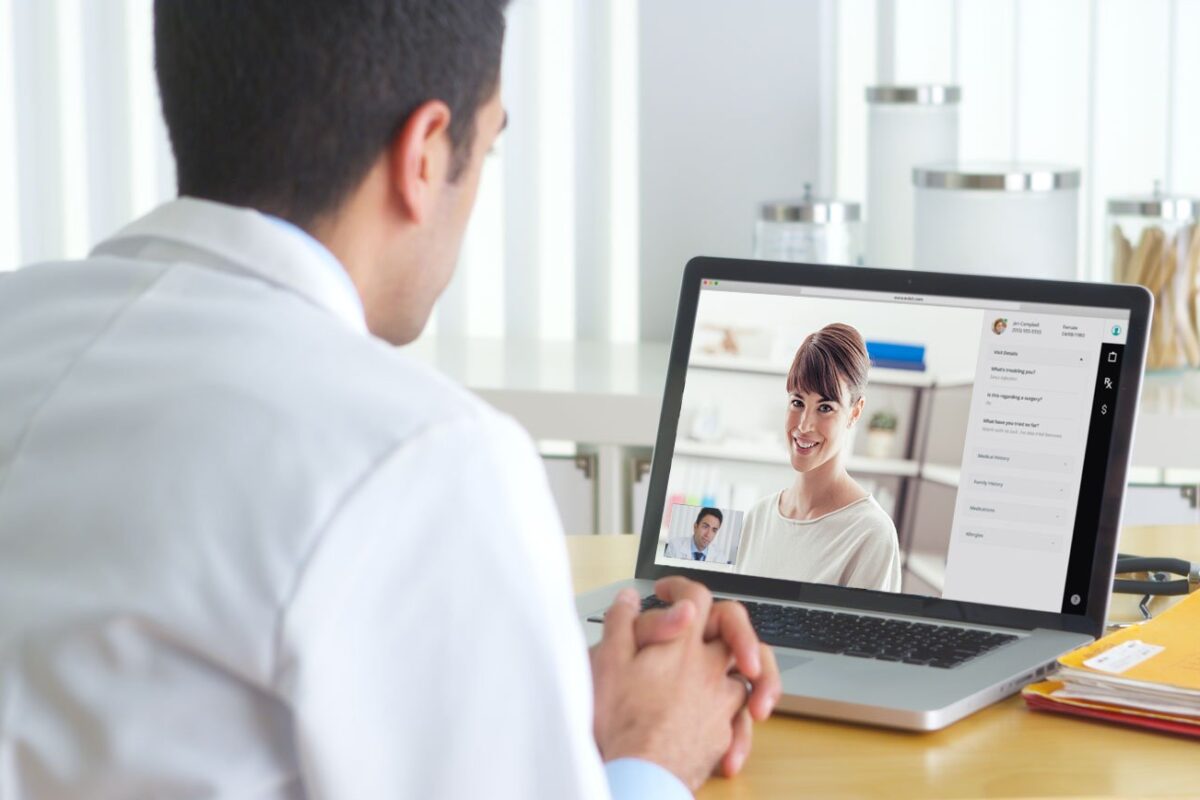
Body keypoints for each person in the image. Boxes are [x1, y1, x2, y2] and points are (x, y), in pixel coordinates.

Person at [0, 2, 780, 797]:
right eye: (489, 147)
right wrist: (651, 754)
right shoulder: (420, 453)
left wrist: (517, 697)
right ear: (424, 153)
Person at [734, 323, 901, 591]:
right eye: (797, 402)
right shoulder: (758, 518)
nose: (804, 425)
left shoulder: (871, 534)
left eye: (825, 407)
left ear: (855, 412)